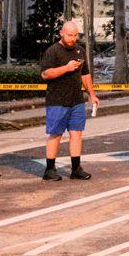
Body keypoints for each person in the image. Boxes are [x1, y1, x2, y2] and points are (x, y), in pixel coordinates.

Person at [39, 20, 99, 182]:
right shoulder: (53, 51)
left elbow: (85, 75)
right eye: (69, 35)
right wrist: (66, 68)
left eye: (75, 35)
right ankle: (50, 169)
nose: (73, 38)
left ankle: (76, 168)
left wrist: (92, 94)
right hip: (57, 100)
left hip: (76, 100)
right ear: (62, 34)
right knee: (55, 134)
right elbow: (45, 74)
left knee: (76, 133)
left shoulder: (80, 50)